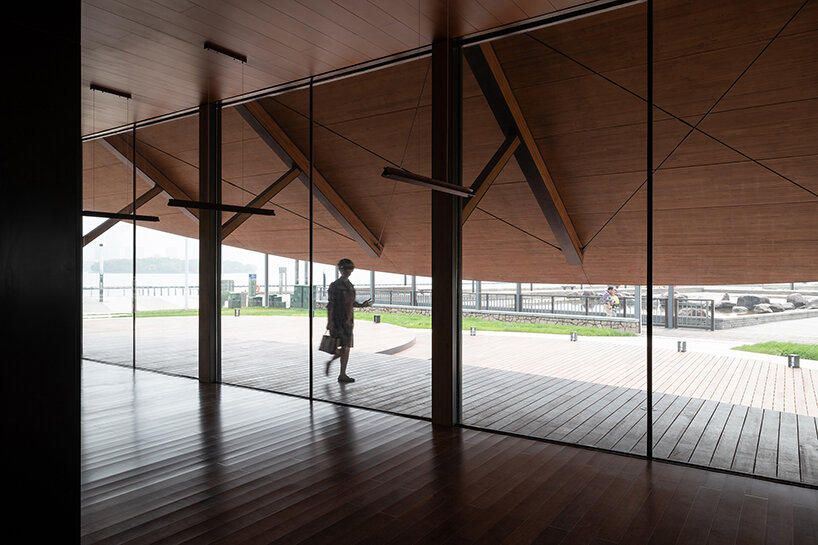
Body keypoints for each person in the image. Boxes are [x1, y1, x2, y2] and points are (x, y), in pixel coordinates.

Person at [325, 258, 371, 383]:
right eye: (346, 268)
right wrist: (330, 322)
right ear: (340, 269)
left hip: (348, 321)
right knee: (338, 346)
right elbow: (331, 305)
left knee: (346, 347)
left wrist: (362, 305)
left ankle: (342, 373)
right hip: (338, 320)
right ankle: (333, 364)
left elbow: (351, 302)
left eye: (350, 268)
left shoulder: (350, 286)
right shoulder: (334, 286)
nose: (348, 271)